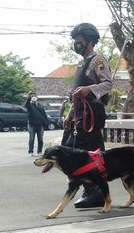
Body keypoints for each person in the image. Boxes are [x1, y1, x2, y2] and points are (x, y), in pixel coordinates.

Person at [62, 22, 113, 208]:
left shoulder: (97, 60)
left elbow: (108, 84)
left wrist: (88, 89)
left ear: (90, 41)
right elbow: (76, 94)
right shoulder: (81, 63)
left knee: (87, 153)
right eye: (75, 41)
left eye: (80, 41)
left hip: (92, 113)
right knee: (72, 150)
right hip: (79, 113)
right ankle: (92, 189)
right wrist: (69, 116)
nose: (77, 44)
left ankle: (95, 191)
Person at [24, 92, 50, 156]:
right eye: (32, 96)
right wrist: (28, 98)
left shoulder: (40, 105)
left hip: (40, 125)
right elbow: (26, 105)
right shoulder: (29, 105)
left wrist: (47, 122)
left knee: (40, 139)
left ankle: (39, 152)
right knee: (31, 139)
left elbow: (44, 114)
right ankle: (30, 151)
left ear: (37, 97)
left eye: (35, 96)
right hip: (32, 124)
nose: (34, 97)